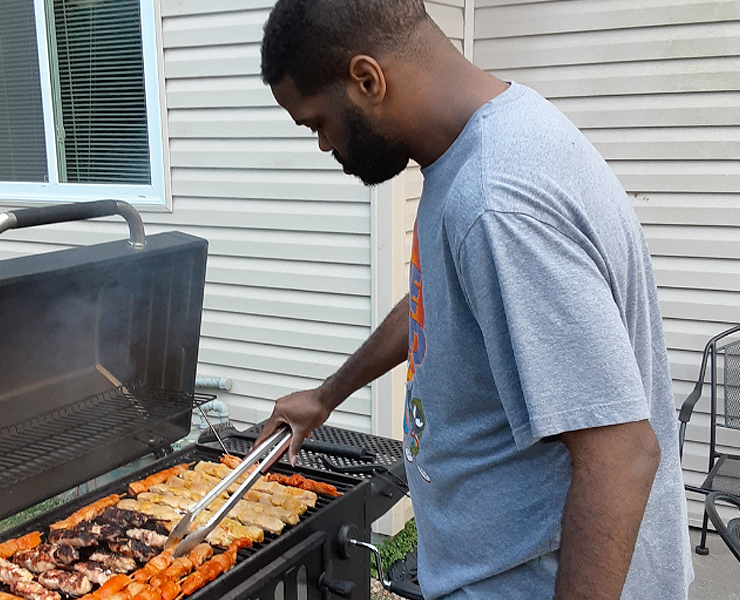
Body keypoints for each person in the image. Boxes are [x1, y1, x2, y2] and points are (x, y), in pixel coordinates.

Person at [255, 1, 694, 599]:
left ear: (366, 79)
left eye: (317, 122)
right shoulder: (485, 142)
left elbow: (621, 457)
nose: (323, 144)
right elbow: (434, 299)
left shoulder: (497, 201)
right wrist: (327, 395)